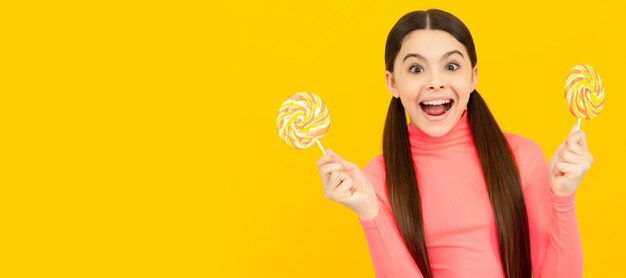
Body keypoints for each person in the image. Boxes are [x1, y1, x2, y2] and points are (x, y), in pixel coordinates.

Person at [316, 9, 592, 278]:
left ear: (473, 77)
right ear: (392, 83)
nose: (435, 82)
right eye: (415, 69)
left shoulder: (521, 156)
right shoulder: (376, 177)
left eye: (451, 66)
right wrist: (369, 212)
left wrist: (563, 196)